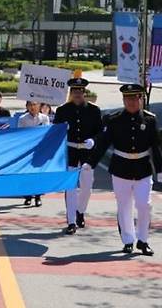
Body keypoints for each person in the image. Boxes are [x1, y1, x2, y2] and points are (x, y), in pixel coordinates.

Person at [85, 84, 162, 256]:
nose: (131, 102)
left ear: (140, 99)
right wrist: (90, 163)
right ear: (123, 100)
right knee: (124, 206)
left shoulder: (150, 120)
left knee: (144, 205)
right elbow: (104, 144)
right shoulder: (114, 120)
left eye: (134, 98)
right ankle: (128, 240)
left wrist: (160, 169)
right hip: (121, 168)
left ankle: (143, 240)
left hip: (143, 168)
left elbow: (155, 146)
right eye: (128, 99)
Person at [53, 78, 102, 235]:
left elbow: (101, 131)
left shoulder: (94, 110)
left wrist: (93, 140)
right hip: (70, 152)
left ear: (84, 93)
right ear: (71, 93)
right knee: (71, 188)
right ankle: (71, 221)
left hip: (87, 153)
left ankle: (81, 210)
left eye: (80, 91)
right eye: (74, 91)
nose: (77, 94)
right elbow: (55, 132)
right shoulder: (62, 111)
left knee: (87, 187)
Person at [17, 101, 50, 207]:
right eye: (30, 105)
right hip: (27, 150)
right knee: (27, 174)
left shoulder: (44, 118)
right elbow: (20, 135)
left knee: (38, 174)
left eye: (35, 104)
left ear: (39, 106)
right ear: (27, 106)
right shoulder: (22, 119)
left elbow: (46, 133)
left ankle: (38, 197)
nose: (32, 107)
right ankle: (27, 197)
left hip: (40, 150)